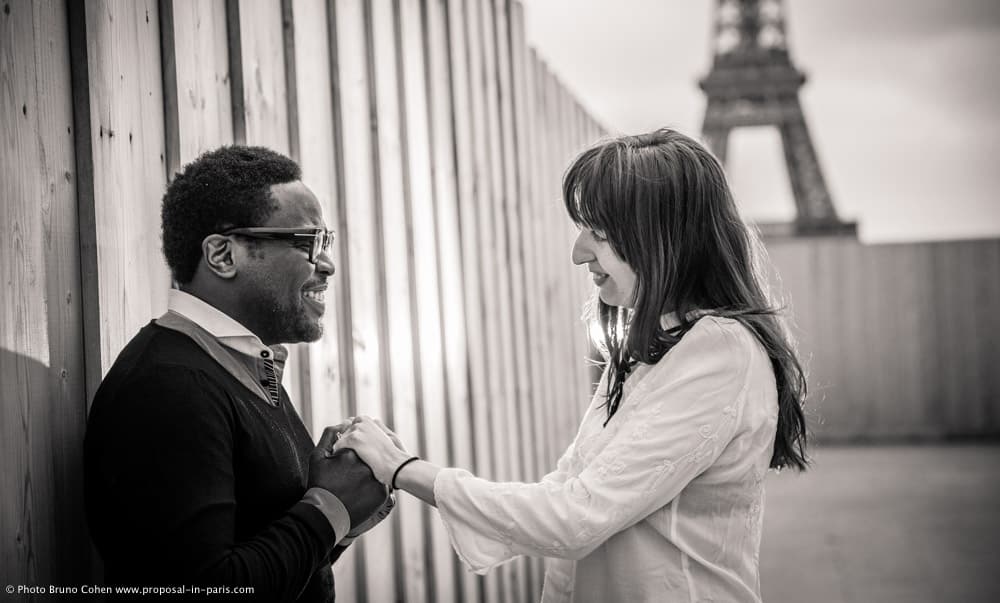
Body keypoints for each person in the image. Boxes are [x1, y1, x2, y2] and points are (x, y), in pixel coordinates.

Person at [335, 128, 809, 602]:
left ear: (664, 236)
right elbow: (565, 493)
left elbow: (576, 516)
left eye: (599, 233)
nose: (579, 252)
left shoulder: (719, 350)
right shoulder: (656, 345)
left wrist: (403, 468)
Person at [84, 146, 391, 602]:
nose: (326, 264)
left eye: (325, 243)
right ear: (223, 255)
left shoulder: (239, 364)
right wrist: (330, 510)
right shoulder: (168, 386)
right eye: (308, 242)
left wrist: (342, 518)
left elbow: (270, 561)